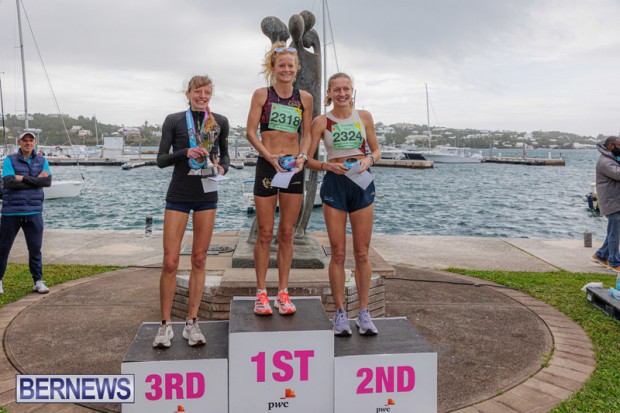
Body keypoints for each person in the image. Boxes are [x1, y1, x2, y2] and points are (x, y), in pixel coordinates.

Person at [153, 75, 230, 348]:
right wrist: (183, 152)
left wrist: (222, 168)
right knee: (170, 262)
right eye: (198, 92)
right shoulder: (174, 120)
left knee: (199, 259)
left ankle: (192, 322)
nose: (202, 96)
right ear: (188, 94)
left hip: (207, 194)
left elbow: (225, 156)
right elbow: (161, 160)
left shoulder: (219, 122)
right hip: (179, 195)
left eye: (207, 92)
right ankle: (165, 326)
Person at [306, 73, 381, 336]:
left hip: (361, 182)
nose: (342, 94)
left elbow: (376, 150)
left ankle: (363, 312)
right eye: (336, 90)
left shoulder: (364, 117)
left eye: (346, 89)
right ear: (329, 93)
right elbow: (307, 160)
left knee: (362, 253)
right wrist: (328, 166)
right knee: (337, 253)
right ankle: (339, 313)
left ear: (352, 91)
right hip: (335, 184)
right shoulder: (321, 121)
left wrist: (368, 161)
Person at [246, 42, 313, 316]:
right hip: (268, 165)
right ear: (273, 68)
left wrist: (303, 156)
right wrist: (268, 156)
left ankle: (283, 292)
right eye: (281, 65)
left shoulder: (304, 98)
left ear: (297, 69)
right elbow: (250, 132)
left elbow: (307, 134)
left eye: (290, 66)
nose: (286, 69)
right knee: (265, 233)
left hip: (293, 168)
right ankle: (261, 292)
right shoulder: (262, 95)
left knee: (287, 233)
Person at [0, 132, 52, 296]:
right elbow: (9, 183)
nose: (28, 143)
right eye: (25, 141)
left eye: (31, 140)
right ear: (19, 142)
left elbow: (47, 181)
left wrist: (21, 178)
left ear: (34, 142)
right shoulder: (9, 160)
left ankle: (38, 281)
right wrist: (36, 181)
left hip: (34, 212)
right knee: (3, 248)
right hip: (11, 213)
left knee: (35, 249)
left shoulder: (42, 160)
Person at [592, 136, 620, 270]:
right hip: (612, 201)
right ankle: (614, 262)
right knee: (614, 232)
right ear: (610, 146)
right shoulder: (605, 162)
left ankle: (601, 255)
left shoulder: (612, 158)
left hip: (616, 199)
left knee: (613, 231)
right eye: (619, 145)